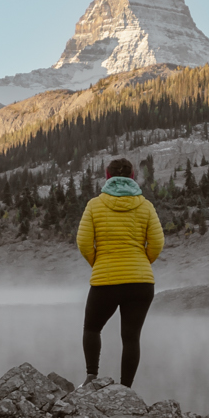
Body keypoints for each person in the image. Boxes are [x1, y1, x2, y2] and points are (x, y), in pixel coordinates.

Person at [74, 157, 164, 388]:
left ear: (107, 176)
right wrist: (142, 263)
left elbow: (84, 242)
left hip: (105, 280)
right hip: (141, 282)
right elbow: (157, 243)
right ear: (132, 177)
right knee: (131, 338)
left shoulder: (95, 205)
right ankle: (125, 389)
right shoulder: (145, 206)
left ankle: (91, 377)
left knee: (92, 328)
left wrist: (100, 263)